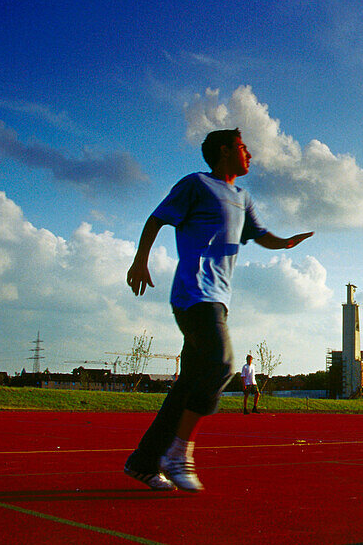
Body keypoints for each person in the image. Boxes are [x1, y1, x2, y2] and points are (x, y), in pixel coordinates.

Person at [123, 128, 313, 491]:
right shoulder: (195, 184)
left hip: (219, 300)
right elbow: (157, 218)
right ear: (225, 151)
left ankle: (144, 462)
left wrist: (287, 242)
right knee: (223, 364)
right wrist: (140, 260)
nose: (250, 154)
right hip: (194, 294)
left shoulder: (242, 197)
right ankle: (178, 453)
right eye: (244, 147)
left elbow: (262, 236)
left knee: (187, 387)